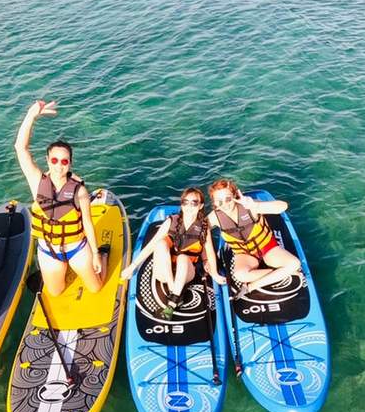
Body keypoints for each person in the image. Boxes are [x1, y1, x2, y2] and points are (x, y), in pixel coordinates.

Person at [14, 100, 106, 297]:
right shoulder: (37, 182)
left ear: (70, 162)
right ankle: (65, 269)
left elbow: (88, 224)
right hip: (49, 250)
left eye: (64, 161)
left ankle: (102, 258)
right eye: (54, 160)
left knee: (96, 288)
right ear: (47, 160)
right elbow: (21, 148)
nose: (59, 165)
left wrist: (97, 254)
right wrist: (31, 116)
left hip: (76, 248)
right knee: (56, 293)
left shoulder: (79, 191)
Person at [121, 188, 225, 313]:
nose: (189, 206)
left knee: (183, 257)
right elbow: (151, 245)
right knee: (160, 244)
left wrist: (214, 274)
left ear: (200, 206)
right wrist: (133, 266)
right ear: (182, 204)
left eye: (194, 202)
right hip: (164, 273)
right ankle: (173, 289)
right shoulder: (171, 221)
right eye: (185, 202)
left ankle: (174, 300)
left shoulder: (203, 227)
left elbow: (210, 252)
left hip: (185, 272)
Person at [207, 179, 301, 294]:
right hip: (244, 254)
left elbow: (283, 206)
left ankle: (252, 286)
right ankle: (281, 272)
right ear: (214, 203)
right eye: (219, 201)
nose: (224, 204)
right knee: (240, 275)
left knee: (294, 263)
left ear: (235, 196)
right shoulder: (214, 217)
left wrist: (255, 205)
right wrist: (211, 268)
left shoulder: (249, 206)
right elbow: (200, 234)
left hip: (267, 247)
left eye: (228, 199)